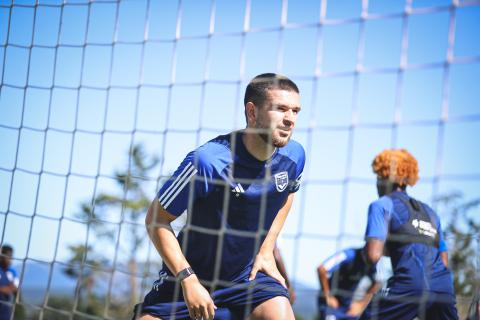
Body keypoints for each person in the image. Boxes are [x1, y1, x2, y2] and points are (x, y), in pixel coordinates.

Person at [134, 73, 305, 320]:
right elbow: (155, 220)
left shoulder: (295, 156)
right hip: (189, 278)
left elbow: (288, 193)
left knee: (281, 312)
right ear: (252, 112)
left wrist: (267, 248)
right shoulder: (207, 161)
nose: (290, 119)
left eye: (296, 111)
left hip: (247, 279)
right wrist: (188, 280)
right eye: (280, 109)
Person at [361, 149, 458, 320]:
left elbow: (373, 255)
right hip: (443, 287)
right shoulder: (430, 213)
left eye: (377, 177)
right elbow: (443, 260)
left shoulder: (382, 205)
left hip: (410, 283)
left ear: (384, 177)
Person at [317, 247, 381, 320]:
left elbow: (377, 283)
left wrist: (361, 305)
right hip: (331, 306)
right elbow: (321, 269)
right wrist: (328, 296)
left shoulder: (372, 262)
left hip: (348, 307)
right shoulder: (348, 254)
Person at [0, 245, 19, 320]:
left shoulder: (12, 272)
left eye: (11, 257)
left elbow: (15, 288)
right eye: (8, 256)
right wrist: (7, 287)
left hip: (6, 310)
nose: (10, 260)